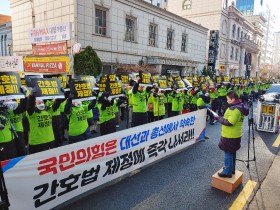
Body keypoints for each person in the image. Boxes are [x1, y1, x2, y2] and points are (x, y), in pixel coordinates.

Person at [213, 91, 249, 178]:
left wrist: (218, 118)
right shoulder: (240, 107)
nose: (227, 101)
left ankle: (227, 171)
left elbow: (229, 122)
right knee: (232, 152)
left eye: (228, 99)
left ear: (233, 99)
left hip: (230, 135)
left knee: (228, 153)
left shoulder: (234, 109)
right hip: (236, 134)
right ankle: (231, 169)